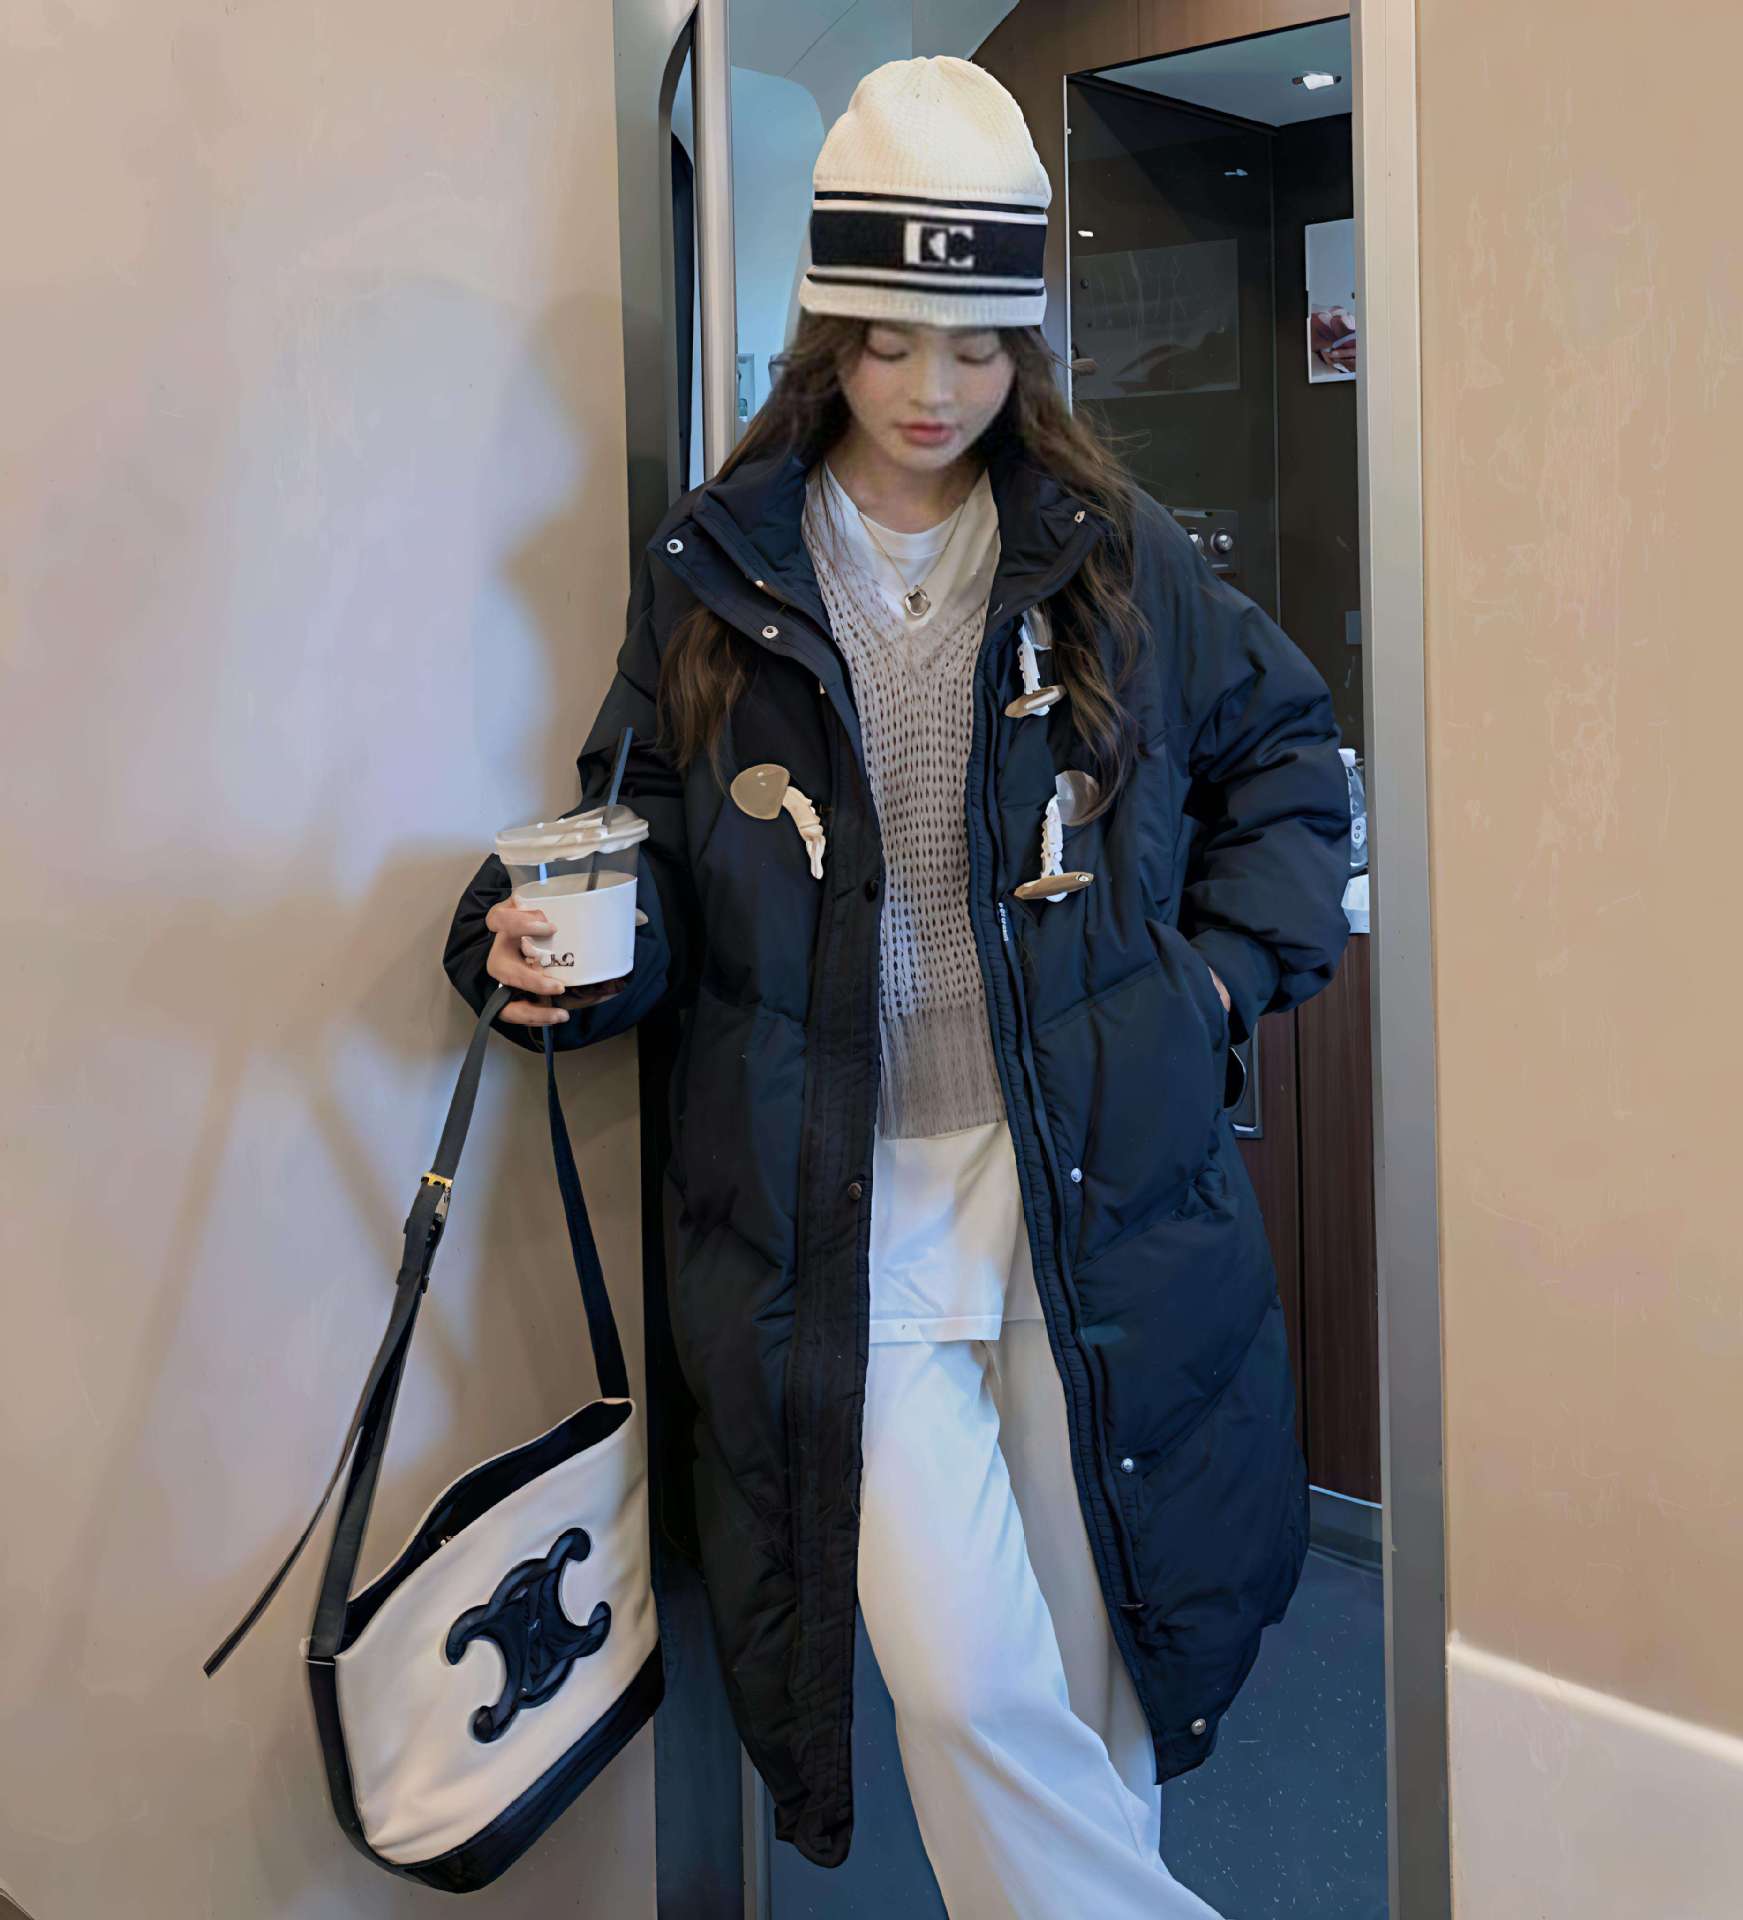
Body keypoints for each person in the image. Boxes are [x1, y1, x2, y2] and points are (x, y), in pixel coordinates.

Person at [443, 54, 1350, 1919]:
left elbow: (1287, 753)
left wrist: (1212, 988)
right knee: (961, 1682)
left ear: (1027, 344)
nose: (935, 388)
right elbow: (641, 837)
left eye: (979, 345)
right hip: (842, 1215)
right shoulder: (723, 573)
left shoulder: (1109, 555)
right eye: (889, 341)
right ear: (825, 336)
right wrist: (539, 944)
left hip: (1081, 1189)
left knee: (1096, 1693)